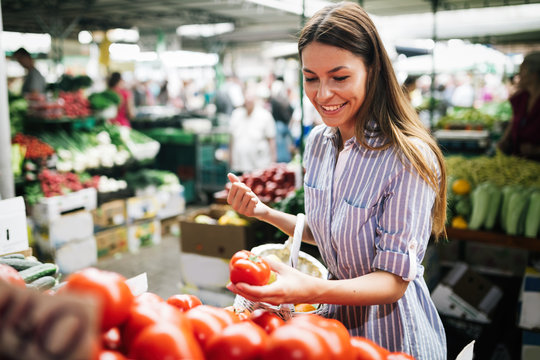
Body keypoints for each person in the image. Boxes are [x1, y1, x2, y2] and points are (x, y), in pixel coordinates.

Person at [225, 3, 447, 359]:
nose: (323, 94)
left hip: (390, 336)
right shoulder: (318, 143)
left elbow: (392, 282)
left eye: (339, 77)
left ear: (371, 71)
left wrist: (309, 288)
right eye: (310, 77)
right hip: (332, 327)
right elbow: (333, 230)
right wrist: (264, 212)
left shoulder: (408, 157)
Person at [497, 51, 540, 160]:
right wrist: (505, 140)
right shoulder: (521, 98)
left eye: (522, 70)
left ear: (534, 74)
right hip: (519, 160)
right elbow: (515, 120)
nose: (519, 75)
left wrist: (536, 150)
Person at [229, 87, 277, 174]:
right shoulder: (236, 115)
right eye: (246, 98)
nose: (248, 101)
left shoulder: (265, 115)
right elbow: (231, 139)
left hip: (259, 167)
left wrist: (273, 163)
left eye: (251, 98)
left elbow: (271, 140)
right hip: (239, 166)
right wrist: (230, 159)